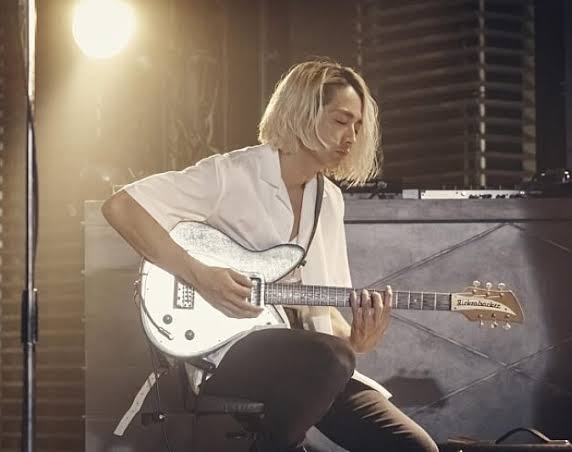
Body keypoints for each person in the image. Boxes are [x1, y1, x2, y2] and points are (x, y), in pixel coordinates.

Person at [102, 60, 438, 452]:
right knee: (331, 358)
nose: (351, 136)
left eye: (358, 126)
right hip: (230, 353)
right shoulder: (233, 175)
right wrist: (201, 276)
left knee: (414, 446)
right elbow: (121, 207)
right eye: (340, 121)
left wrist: (357, 339)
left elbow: (321, 310)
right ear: (302, 113)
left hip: (314, 365)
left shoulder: (329, 199)